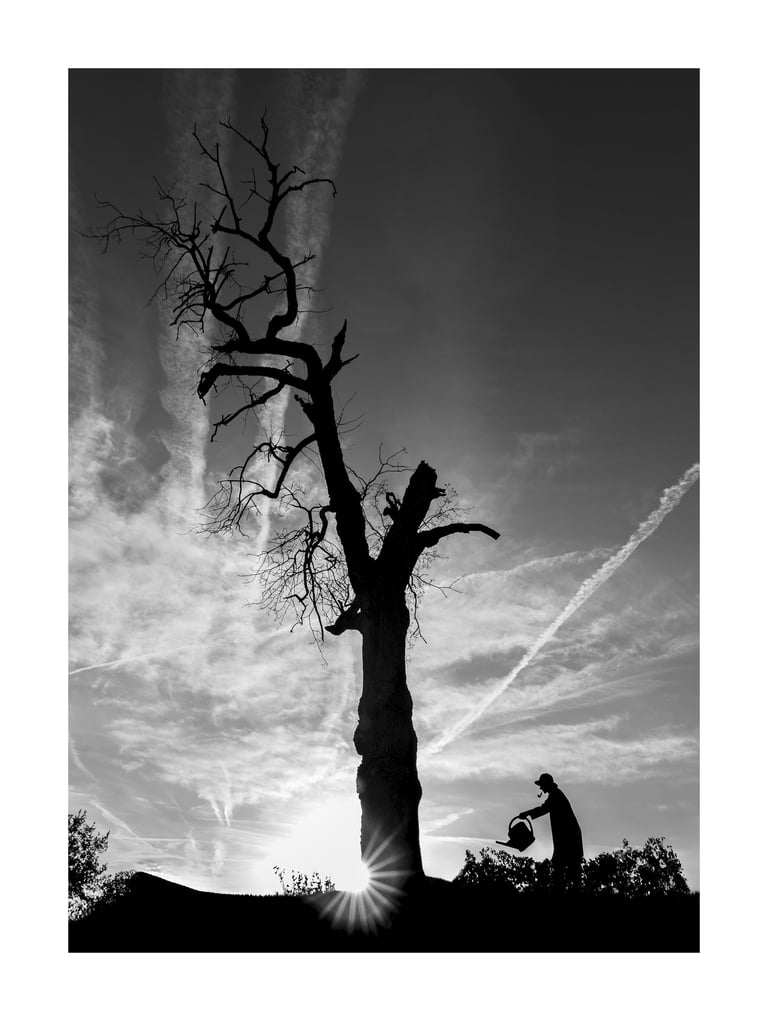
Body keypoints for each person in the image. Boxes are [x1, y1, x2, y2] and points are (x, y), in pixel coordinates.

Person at [518, 773, 583, 892]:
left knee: (566, 870)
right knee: (567, 869)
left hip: (568, 839)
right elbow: (545, 808)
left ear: (546, 785)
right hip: (567, 838)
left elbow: (544, 808)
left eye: (541, 785)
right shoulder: (555, 794)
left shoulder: (556, 796)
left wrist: (526, 813)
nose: (540, 788)